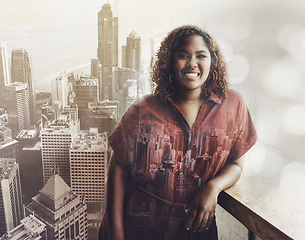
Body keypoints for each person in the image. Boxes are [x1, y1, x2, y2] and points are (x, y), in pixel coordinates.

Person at [99, 25, 257, 240]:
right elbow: (117, 173)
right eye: (183, 55)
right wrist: (116, 236)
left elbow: (236, 164)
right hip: (138, 228)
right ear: (169, 62)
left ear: (213, 61)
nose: (192, 63)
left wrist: (213, 187)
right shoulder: (143, 109)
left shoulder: (233, 105)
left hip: (196, 230)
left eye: (201, 55)